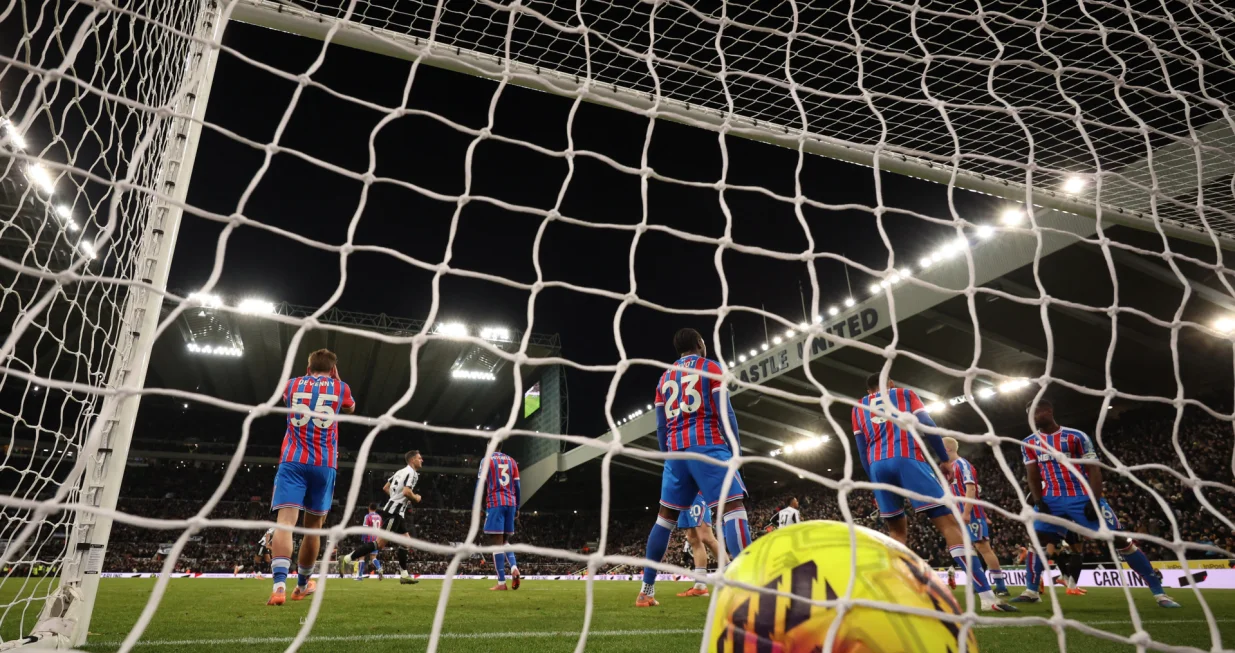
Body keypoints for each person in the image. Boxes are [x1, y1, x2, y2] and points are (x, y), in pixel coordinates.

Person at [853, 373, 1015, 612]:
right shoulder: (904, 394)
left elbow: (861, 449)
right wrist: (943, 459)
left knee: (896, 533)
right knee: (950, 525)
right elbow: (928, 426)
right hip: (907, 458)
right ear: (891, 383)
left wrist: (874, 479)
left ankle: (892, 596)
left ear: (869, 391)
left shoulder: (858, 407)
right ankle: (988, 597)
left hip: (877, 467)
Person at [1011, 399, 1180, 608]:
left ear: (1048, 410)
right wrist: (1038, 501)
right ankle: (1031, 591)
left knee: (1120, 541)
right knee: (1037, 541)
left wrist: (1094, 499)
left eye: (1035, 412)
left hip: (1081, 496)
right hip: (1051, 499)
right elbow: (1032, 474)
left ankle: (1160, 593)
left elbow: (1094, 469)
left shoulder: (1076, 436)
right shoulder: (1029, 442)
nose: (1032, 418)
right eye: (1028, 414)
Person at [637, 328, 750, 608]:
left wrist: (669, 456)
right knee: (732, 507)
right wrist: (736, 451)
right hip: (708, 446)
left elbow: (661, 426)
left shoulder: (664, 378)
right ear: (700, 344)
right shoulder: (711, 368)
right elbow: (727, 414)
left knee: (664, 520)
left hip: (676, 453)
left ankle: (646, 592)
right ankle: (751, 585)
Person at [267, 348, 355, 606]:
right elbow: (350, 408)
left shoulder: (292, 384)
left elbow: (288, 400)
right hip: (324, 463)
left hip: (292, 461)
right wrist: (336, 382)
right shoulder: (341, 387)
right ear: (333, 369)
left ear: (308, 367)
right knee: (313, 528)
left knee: (285, 523)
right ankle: (302, 585)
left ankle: (279, 586)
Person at [341, 450, 423, 585]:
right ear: (412, 460)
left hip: (397, 512)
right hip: (394, 513)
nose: (422, 460)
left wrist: (396, 498)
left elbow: (386, 487)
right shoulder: (412, 474)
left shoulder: (400, 472)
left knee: (406, 542)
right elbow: (407, 492)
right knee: (378, 544)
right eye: (420, 458)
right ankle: (348, 558)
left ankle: (404, 575)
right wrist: (416, 498)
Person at [942, 437, 1009, 596]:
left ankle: (1001, 587)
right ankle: (980, 584)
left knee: (983, 548)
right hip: (958, 515)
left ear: (948, 449)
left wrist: (967, 513)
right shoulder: (949, 468)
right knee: (967, 550)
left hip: (969, 514)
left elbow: (971, 490)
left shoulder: (962, 465)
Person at [481, 448, 522, 591]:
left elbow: (480, 485)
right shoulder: (512, 461)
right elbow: (517, 486)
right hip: (510, 503)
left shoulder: (486, 460)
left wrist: (477, 505)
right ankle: (514, 567)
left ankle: (501, 583)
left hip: (495, 503)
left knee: (496, 543)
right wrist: (517, 507)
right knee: (504, 541)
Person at [676, 492, 721, 598]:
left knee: (707, 537)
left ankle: (734, 576)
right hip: (683, 498)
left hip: (696, 494)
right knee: (693, 540)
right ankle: (700, 585)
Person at [355, 504, 384, 581]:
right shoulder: (379, 517)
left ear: (369, 508)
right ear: (376, 509)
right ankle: (379, 568)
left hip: (368, 539)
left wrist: (363, 540)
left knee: (361, 556)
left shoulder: (367, 516)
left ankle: (360, 577)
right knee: (373, 557)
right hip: (376, 539)